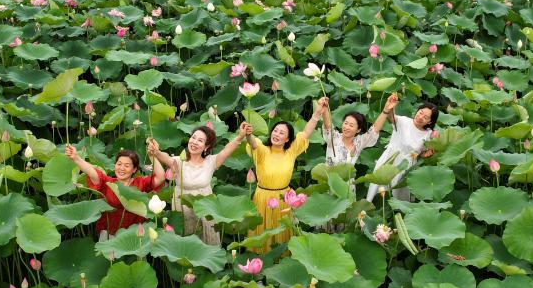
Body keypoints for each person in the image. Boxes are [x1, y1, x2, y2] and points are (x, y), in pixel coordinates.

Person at [243, 99, 324, 252]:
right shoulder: (262, 150)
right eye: (275, 131)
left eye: (282, 133)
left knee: (282, 235)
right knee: (261, 234)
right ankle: (259, 266)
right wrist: (248, 134)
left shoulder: (291, 151)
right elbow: (253, 142)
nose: (277, 134)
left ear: (287, 139)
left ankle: (281, 262)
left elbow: (306, 133)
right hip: (263, 197)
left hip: (284, 198)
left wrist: (317, 113)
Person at [147, 124, 245, 246]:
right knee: (185, 243)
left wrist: (240, 137)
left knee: (205, 244)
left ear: (207, 146)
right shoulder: (179, 161)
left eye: (200, 140)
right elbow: (165, 157)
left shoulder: (211, 162)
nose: (194, 142)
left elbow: (226, 151)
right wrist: (156, 151)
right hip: (183, 208)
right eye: (193, 137)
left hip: (205, 208)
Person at [64, 143, 165, 240]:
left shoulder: (141, 183)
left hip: (135, 235)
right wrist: (76, 158)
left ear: (134, 169)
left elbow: (160, 177)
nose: (121, 168)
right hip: (109, 234)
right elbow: (93, 172)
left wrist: (152, 156)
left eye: (126, 165)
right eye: (119, 164)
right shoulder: (108, 183)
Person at [364, 93, 438, 203]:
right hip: (390, 158)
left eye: (426, 117)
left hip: (407, 166)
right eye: (420, 112)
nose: (421, 117)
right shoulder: (404, 121)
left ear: (430, 121)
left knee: (399, 199)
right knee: (376, 190)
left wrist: (428, 153)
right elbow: (391, 118)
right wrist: (391, 107)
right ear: (417, 110)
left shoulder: (428, 134)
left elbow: (422, 153)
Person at [319, 95, 393, 177]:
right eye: (345, 123)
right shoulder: (334, 138)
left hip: (348, 185)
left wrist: (385, 110)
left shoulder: (359, 142)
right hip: (330, 182)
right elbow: (328, 127)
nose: (346, 127)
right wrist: (325, 109)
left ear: (358, 130)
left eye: (351, 125)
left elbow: (374, 130)